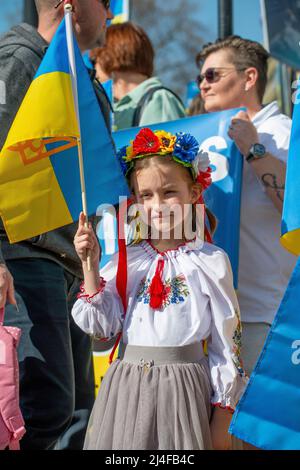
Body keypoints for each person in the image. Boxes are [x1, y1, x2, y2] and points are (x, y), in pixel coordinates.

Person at [72, 127, 247, 450]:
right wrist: (91, 265)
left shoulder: (209, 260)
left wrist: (222, 417)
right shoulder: (128, 261)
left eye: (169, 192)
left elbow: (227, 343)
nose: (157, 205)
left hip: (183, 391)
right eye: (145, 196)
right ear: (134, 201)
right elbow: (103, 326)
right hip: (126, 390)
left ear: (194, 192)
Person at [0, 0, 113, 450]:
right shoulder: (19, 60)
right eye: (105, 2)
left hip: (70, 267)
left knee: (76, 415)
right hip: (24, 259)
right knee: (39, 409)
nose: (110, 11)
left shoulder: (83, 78)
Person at [196, 36, 297, 379]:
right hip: (210, 316)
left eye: (212, 75)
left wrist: (254, 149)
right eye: (200, 78)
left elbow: (295, 209)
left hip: (263, 318)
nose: (202, 85)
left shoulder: (281, 133)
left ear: (249, 78)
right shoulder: (207, 141)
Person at [90, 22, 186, 130]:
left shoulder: (158, 99)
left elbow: (167, 145)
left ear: (109, 55)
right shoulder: (113, 108)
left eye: (93, 61)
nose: (93, 68)